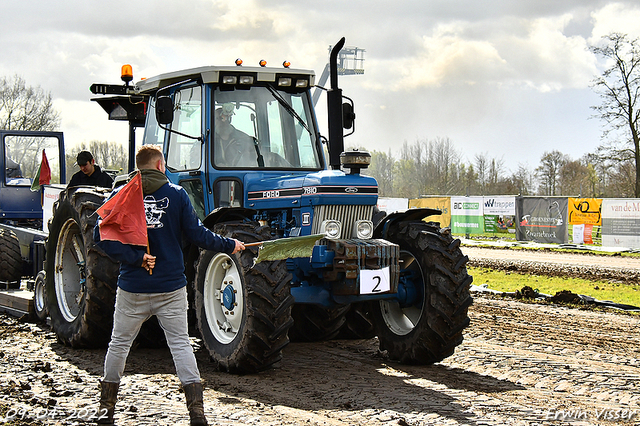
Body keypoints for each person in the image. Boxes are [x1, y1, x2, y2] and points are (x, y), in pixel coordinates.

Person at [93, 146, 245, 425]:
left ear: (139, 167)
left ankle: (105, 412)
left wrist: (135, 258)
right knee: (180, 346)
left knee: (119, 344)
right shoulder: (176, 195)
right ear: (160, 165)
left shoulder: (123, 194)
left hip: (132, 288)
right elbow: (198, 235)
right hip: (170, 289)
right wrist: (229, 245)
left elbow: (100, 236)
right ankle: (196, 414)